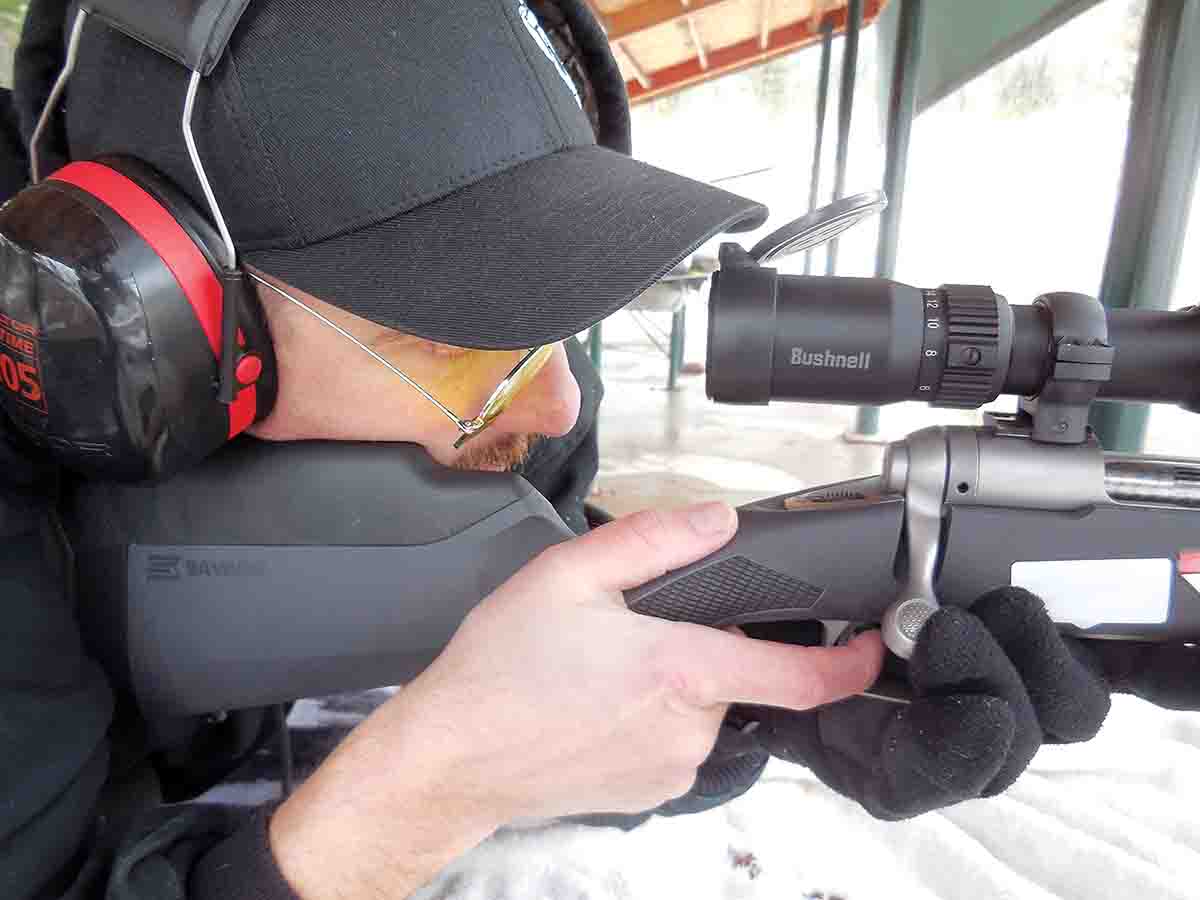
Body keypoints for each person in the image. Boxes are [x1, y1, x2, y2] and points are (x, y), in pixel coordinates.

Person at [0, 2, 1195, 900]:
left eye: (558, 317)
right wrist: (418, 797)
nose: (563, 404)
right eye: (466, 333)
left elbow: (528, 648)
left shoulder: (511, 419)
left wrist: (755, 697)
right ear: (155, 323)